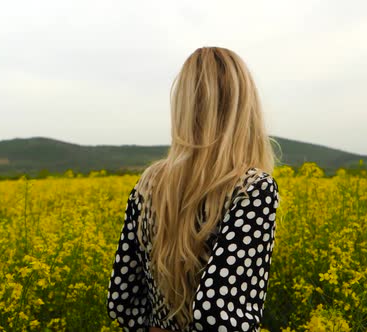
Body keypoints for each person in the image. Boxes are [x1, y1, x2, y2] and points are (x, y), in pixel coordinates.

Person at [106, 46, 281, 332]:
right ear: (244, 106)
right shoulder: (253, 189)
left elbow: (121, 298)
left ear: (183, 106)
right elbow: (218, 314)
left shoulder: (148, 184)